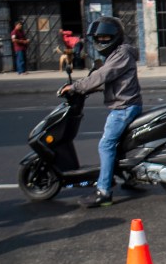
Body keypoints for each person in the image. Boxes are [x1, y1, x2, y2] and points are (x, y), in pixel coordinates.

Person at [58, 17, 142, 208]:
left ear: (115, 36)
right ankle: (130, 178)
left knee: (106, 145)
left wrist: (76, 87)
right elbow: (109, 78)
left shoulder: (121, 54)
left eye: (105, 37)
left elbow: (103, 74)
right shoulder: (117, 53)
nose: (102, 41)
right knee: (119, 146)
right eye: (99, 37)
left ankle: (103, 191)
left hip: (123, 107)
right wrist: (89, 88)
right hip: (125, 103)